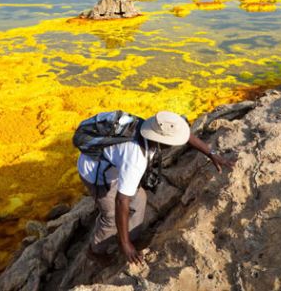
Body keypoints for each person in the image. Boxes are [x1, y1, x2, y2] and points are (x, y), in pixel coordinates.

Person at [77, 110, 235, 265]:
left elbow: (187, 136)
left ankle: (129, 236)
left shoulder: (151, 127)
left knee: (139, 200)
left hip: (116, 167)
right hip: (97, 174)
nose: (177, 144)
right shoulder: (136, 159)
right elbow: (121, 200)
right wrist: (126, 246)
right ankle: (96, 251)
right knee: (111, 215)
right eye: (174, 143)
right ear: (163, 142)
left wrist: (212, 154)